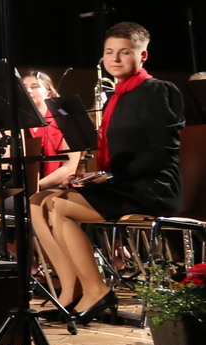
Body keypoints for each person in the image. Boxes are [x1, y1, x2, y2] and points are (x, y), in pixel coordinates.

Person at [30, 22, 184, 324]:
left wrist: (109, 177)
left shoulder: (158, 91)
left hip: (153, 186)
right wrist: (94, 176)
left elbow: (160, 155)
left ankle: (96, 290)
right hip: (124, 183)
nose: (114, 58)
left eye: (124, 52)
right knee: (38, 201)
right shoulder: (116, 97)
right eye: (109, 52)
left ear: (142, 55)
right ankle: (70, 292)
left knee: (59, 206)